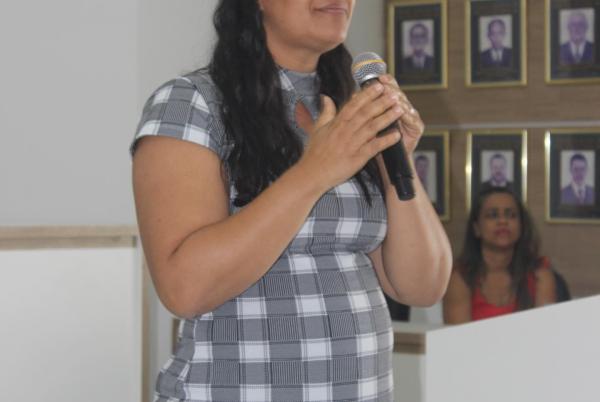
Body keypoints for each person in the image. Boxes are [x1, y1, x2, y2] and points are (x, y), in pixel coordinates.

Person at [131, 1, 452, 401]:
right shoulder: (191, 104)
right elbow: (185, 289)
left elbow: (423, 286)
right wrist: (314, 173)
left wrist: (394, 160)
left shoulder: (348, 113)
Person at [443, 188, 556, 323]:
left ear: (521, 226)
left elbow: (545, 331)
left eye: (511, 215)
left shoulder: (540, 275)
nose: (503, 221)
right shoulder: (460, 278)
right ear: (476, 228)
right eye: (493, 215)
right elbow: (457, 334)